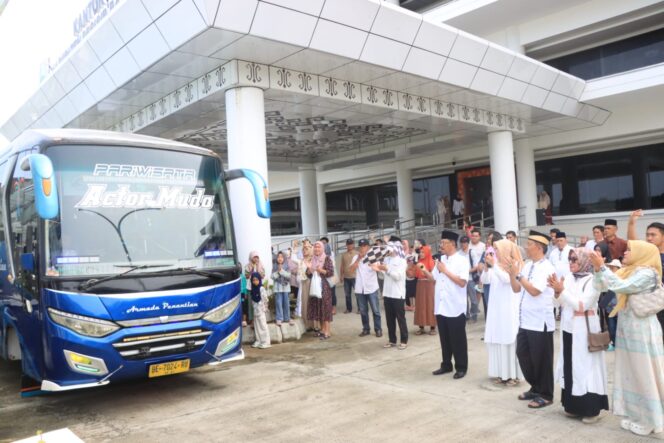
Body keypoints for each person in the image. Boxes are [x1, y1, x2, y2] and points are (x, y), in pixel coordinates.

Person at [591, 240, 664, 436]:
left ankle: (652, 419)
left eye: (630, 250)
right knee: (630, 373)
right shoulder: (628, 269)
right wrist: (599, 270)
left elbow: (622, 287)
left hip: (642, 331)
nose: (625, 252)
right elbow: (602, 285)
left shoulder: (648, 273)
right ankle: (635, 415)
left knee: (644, 373)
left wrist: (603, 268)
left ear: (642, 253)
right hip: (627, 329)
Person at [548, 248, 609, 424]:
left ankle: (591, 409)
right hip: (568, 328)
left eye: (574, 259)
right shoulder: (568, 277)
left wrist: (563, 292)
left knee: (586, 368)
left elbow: (582, 305)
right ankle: (573, 406)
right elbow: (558, 303)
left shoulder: (593, 280)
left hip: (584, 330)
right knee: (570, 366)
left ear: (584, 261)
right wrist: (557, 291)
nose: (571, 262)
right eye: (569, 259)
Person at [507, 230, 556, 409]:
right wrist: (513, 274)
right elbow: (516, 289)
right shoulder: (527, 265)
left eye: (529, 244)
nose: (526, 247)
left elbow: (535, 291)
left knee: (541, 359)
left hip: (540, 322)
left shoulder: (548, 267)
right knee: (523, 355)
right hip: (525, 321)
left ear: (538, 247)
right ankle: (535, 387)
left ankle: (546, 394)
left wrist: (519, 275)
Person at [431, 230, 470, 379]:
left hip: (455, 307)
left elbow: (462, 282)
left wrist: (445, 271)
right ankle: (446, 364)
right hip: (441, 306)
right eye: (441, 243)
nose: (441, 246)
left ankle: (461, 367)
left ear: (452, 244)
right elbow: (433, 278)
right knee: (445, 338)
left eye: (444, 243)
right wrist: (423, 271)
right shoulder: (441, 260)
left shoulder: (462, 260)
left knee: (458, 339)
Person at [484, 239, 524, 386]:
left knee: (509, 339)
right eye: (493, 248)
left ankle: (513, 375)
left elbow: (507, 279)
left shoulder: (515, 264)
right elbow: (485, 281)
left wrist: (494, 266)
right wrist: (487, 268)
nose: (494, 251)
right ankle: (501, 373)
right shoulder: (496, 266)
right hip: (496, 308)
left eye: (497, 248)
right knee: (497, 338)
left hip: (508, 308)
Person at [627, 210, 664, 341]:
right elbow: (633, 243)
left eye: (653, 235)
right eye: (647, 235)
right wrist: (631, 223)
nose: (649, 238)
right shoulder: (646, 254)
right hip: (651, 304)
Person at [373, 239, 408, 350]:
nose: (388, 249)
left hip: (398, 294)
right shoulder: (387, 259)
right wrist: (378, 269)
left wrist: (386, 269)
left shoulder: (402, 261)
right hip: (387, 293)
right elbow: (385, 274)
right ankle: (392, 340)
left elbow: (397, 276)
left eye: (390, 247)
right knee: (389, 319)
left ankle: (404, 340)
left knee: (400, 318)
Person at [350, 239, 382, 337]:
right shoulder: (356, 257)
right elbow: (351, 270)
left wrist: (373, 265)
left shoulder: (373, 256)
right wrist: (358, 259)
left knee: (375, 310)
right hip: (360, 288)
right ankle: (366, 329)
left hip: (371, 288)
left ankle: (378, 329)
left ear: (368, 247)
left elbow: (378, 269)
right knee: (363, 311)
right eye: (360, 246)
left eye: (364, 246)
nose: (362, 248)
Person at [307, 241, 335, 340]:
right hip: (315, 287)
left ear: (322, 248)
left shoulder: (326, 258)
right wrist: (309, 269)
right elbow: (309, 275)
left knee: (325, 308)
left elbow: (331, 272)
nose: (316, 249)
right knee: (319, 308)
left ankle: (327, 332)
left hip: (324, 287)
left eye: (319, 247)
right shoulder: (313, 259)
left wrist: (321, 270)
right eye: (315, 247)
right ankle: (322, 330)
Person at [414, 241, 436, 335]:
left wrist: (425, 271)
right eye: (420, 252)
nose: (421, 254)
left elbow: (433, 276)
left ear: (427, 252)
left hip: (429, 285)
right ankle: (421, 327)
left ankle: (432, 327)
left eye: (423, 252)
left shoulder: (431, 262)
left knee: (430, 304)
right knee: (420, 304)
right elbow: (414, 274)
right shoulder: (419, 262)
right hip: (420, 284)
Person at [249, 272, 271, 349]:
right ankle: (259, 341)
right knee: (257, 326)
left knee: (263, 325)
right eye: (253, 280)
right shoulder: (253, 290)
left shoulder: (261, 289)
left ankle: (266, 342)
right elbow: (252, 301)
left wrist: (264, 308)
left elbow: (265, 299)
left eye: (256, 280)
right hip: (256, 311)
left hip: (261, 310)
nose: (255, 281)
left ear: (259, 280)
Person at [297, 241, 315, 332]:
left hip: (313, 283)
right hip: (304, 283)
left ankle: (315, 324)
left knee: (313, 303)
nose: (304, 251)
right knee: (305, 302)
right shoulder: (301, 261)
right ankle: (307, 324)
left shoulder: (314, 259)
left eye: (306, 249)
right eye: (303, 249)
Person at [272, 251, 293, 326]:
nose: (280, 258)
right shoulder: (274, 266)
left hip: (286, 287)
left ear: (284, 258)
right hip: (277, 288)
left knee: (286, 303)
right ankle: (279, 318)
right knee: (278, 303)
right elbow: (272, 276)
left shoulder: (287, 266)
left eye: (281, 257)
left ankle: (287, 318)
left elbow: (289, 276)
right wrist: (278, 272)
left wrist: (282, 271)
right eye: (278, 257)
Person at [468, 229, 486, 318]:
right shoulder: (467, 245)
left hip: (481, 273)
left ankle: (475, 309)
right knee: (471, 292)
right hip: (470, 272)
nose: (474, 237)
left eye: (476, 236)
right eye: (473, 235)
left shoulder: (483, 246)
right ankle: (473, 310)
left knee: (478, 291)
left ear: (480, 237)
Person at [339, 238, 359, 314]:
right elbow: (342, 266)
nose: (349, 245)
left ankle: (360, 309)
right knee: (347, 294)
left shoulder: (357, 254)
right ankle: (348, 308)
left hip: (355, 277)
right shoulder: (343, 254)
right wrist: (341, 275)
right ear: (346, 245)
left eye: (351, 244)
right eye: (348, 244)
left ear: (353, 245)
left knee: (357, 293)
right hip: (346, 277)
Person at [404, 240, 417, 311]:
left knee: (414, 293)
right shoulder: (407, 256)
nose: (411, 250)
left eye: (413, 248)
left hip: (413, 279)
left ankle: (414, 306)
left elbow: (415, 258)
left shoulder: (415, 256)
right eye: (410, 248)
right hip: (407, 279)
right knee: (409, 294)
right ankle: (411, 306)